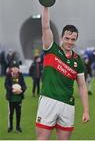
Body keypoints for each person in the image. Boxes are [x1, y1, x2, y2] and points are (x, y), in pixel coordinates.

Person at [35, 7, 90, 140]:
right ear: (61, 37)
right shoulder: (51, 48)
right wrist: (46, 4)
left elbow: (82, 86)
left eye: (73, 39)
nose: (70, 42)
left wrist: (86, 110)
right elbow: (45, 26)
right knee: (42, 138)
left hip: (67, 105)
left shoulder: (78, 61)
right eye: (67, 38)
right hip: (48, 101)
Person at [4, 61, 27, 133]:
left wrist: (21, 90)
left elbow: (24, 85)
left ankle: (18, 126)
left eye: (16, 68)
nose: (15, 69)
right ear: (11, 69)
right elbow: (6, 85)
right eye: (13, 68)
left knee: (18, 113)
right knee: (10, 113)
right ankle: (10, 126)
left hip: (19, 98)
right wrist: (12, 90)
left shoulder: (20, 75)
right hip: (11, 98)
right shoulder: (8, 75)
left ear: (18, 68)